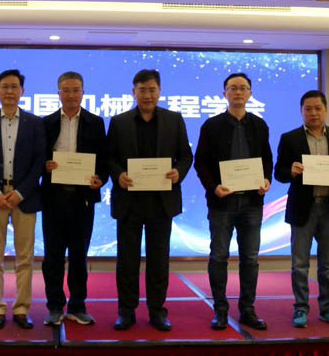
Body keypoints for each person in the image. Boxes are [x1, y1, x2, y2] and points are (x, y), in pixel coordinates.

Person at [107, 69, 192, 332]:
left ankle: (157, 311)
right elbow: (109, 157)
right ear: (133, 92)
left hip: (161, 202)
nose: (147, 95)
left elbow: (186, 155)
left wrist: (179, 172)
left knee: (159, 261)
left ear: (159, 91)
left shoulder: (174, 120)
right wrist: (118, 175)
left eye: (152, 90)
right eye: (142, 90)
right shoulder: (119, 122)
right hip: (129, 202)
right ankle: (126, 311)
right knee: (127, 261)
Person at [193, 72, 273, 331]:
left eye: (243, 88)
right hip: (222, 203)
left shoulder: (259, 125)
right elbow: (200, 162)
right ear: (224, 93)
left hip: (252, 203)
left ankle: (248, 309)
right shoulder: (212, 125)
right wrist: (213, 187)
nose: (238, 92)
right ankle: (220, 309)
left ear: (250, 93)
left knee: (250, 258)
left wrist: (266, 180)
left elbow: (267, 160)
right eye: (233, 88)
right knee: (219, 257)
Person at [274, 90, 329, 328]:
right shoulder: (289, 138)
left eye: (318, 108)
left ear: (325, 110)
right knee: (299, 264)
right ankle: (300, 309)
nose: (313, 113)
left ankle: (328, 309)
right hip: (303, 209)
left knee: (328, 265)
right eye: (308, 109)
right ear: (301, 111)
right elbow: (279, 173)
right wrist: (291, 171)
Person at [0, 69, 46, 330]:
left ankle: (22, 308)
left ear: (22, 91)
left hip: (24, 197)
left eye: (14, 87)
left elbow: (39, 161)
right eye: (4, 86)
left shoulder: (35, 123)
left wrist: (20, 193)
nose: (9, 91)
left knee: (24, 257)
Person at [41, 71, 108, 326]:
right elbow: (38, 158)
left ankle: (78, 305)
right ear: (58, 93)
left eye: (76, 90)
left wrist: (100, 178)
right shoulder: (46, 123)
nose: (71, 95)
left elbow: (104, 159)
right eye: (66, 90)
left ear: (83, 92)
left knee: (79, 256)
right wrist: (45, 166)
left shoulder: (95, 123)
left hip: (82, 200)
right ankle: (54, 305)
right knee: (53, 256)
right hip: (53, 198)